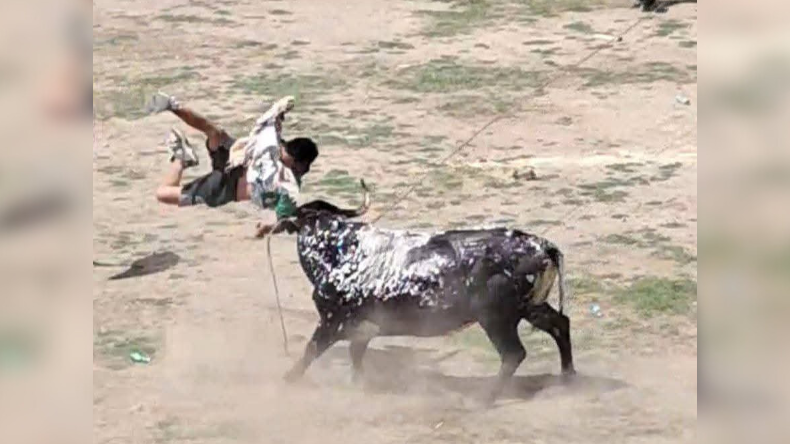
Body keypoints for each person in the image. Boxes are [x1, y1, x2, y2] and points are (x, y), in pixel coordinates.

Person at [147, 92, 318, 237]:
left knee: (162, 194)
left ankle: (182, 159)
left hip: (222, 188)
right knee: (214, 132)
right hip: (233, 157)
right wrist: (279, 111)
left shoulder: (289, 186)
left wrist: (267, 228)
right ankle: (173, 106)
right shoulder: (275, 145)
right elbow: (268, 121)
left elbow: (283, 221)